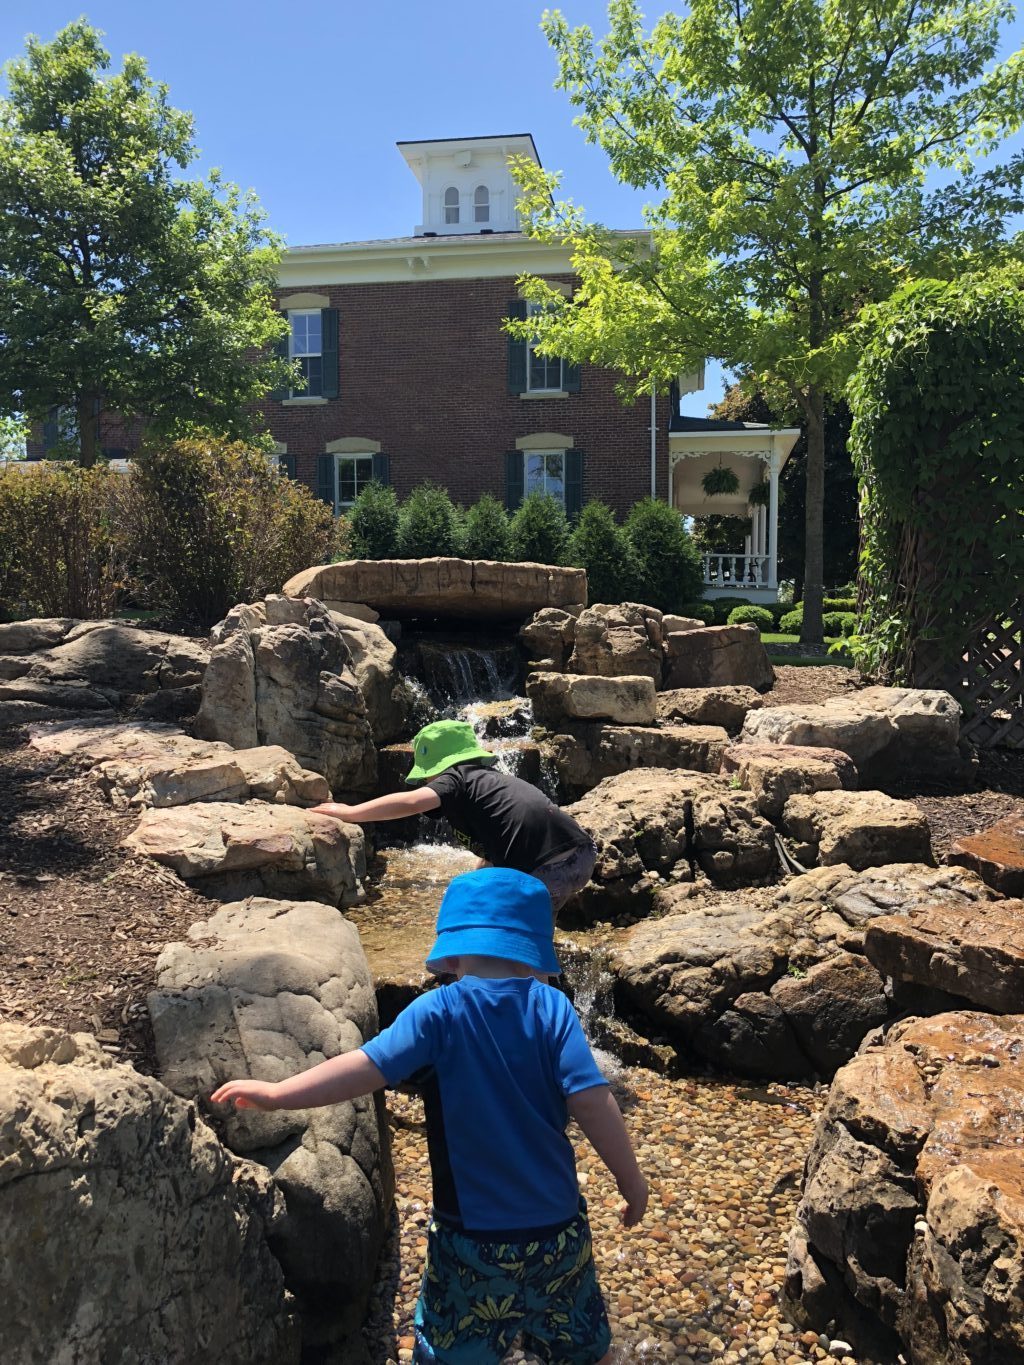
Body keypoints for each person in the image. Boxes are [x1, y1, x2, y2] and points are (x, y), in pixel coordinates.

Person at [212, 867, 647, 1365]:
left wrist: (277, 1093)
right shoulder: (554, 1009)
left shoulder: (437, 1011)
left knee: (455, 1349)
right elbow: (593, 1102)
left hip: (471, 1238)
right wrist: (631, 1184)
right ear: (535, 954)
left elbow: (364, 1069)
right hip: (557, 1230)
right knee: (582, 1348)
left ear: (456, 952)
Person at [310, 719, 598, 915]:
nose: (428, 783)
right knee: (527, 925)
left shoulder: (457, 778)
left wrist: (351, 813)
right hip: (579, 856)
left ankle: (531, 993)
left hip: (546, 866)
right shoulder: (488, 785)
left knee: (518, 942)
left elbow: (411, 801)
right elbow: (507, 838)